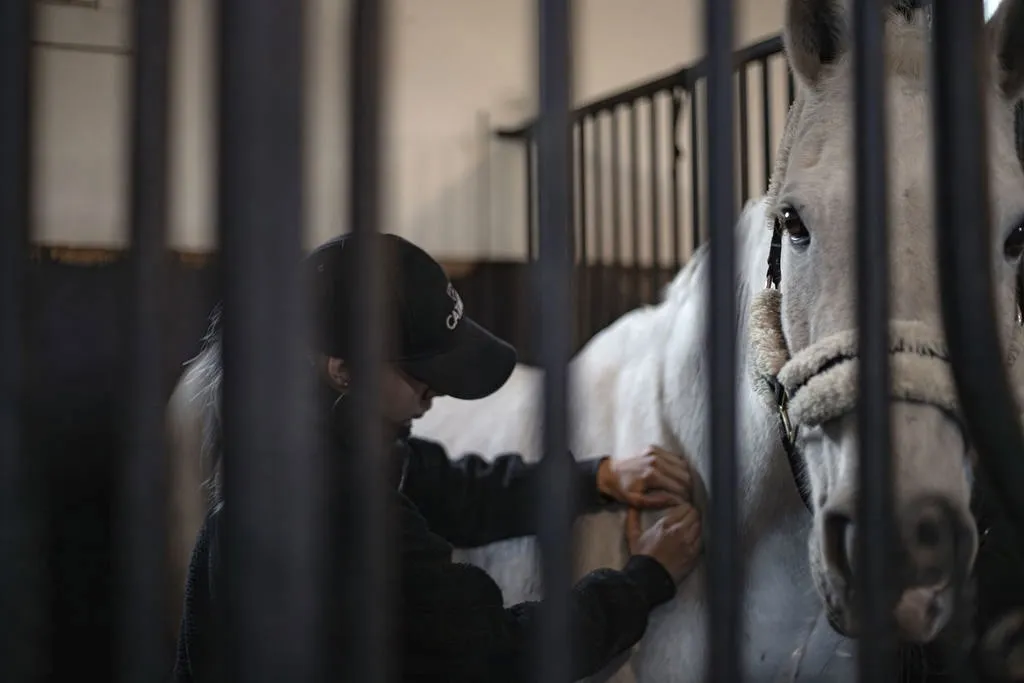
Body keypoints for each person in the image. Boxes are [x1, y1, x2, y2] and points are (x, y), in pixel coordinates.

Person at [173, 233, 704, 683]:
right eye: (420, 372)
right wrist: (644, 581)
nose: (438, 391)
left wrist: (596, 478)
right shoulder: (341, 507)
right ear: (344, 371)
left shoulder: (315, 451)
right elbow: (498, 650)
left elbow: (454, 490)